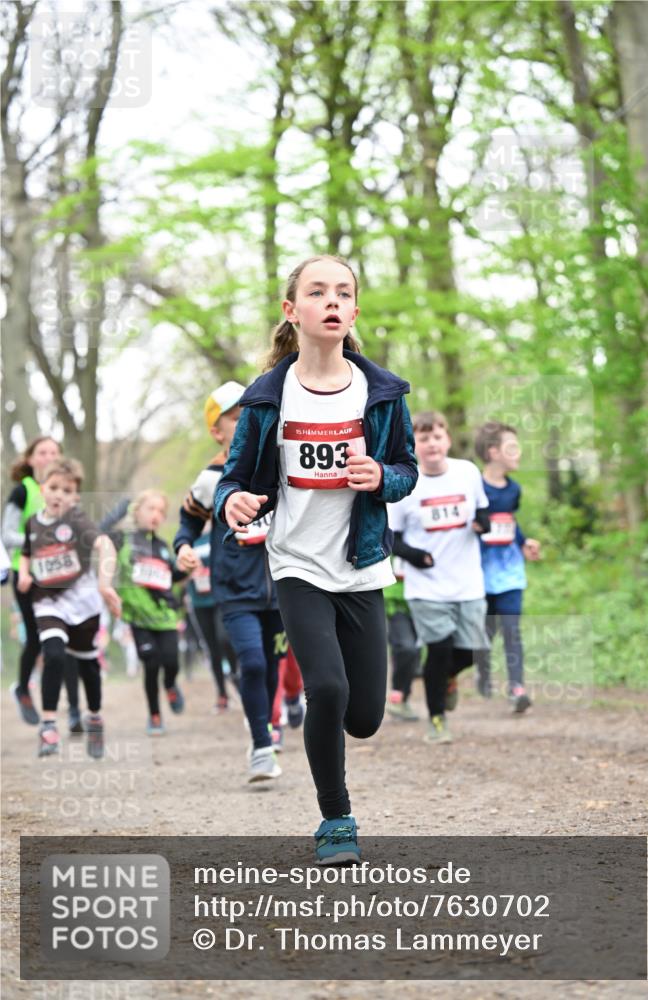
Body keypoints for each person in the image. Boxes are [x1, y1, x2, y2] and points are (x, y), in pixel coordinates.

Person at [214, 254, 418, 864]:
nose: (331, 301)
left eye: (343, 292)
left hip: (361, 565)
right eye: (317, 291)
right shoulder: (267, 399)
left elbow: (405, 471)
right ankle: (336, 818)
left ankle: (336, 747)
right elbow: (234, 477)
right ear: (292, 310)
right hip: (296, 564)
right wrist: (235, 501)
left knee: (365, 716)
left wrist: (380, 474)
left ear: (354, 311)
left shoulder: (381, 394)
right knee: (325, 688)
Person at [175, 382, 284, 784]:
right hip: (235, 588)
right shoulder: (210, 479)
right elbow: (187, 521)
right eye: (236, 418)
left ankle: (267, 726)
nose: (246, 424)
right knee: (251, 662)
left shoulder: (278, 463)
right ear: (217, 432)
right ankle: (260, 746)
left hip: (282, 586)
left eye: (251, 415)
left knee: (272, 666)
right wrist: (183, 546)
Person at [388, 411, 490, 745]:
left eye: (436, 436)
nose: (431, 443)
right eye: (422, 437)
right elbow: (391, 537)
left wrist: (482, 525)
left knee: (473, 650)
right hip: (426, 586)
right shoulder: (406, 482)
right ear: (413, 443)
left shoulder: (467, 472)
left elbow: (483, 511)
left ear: (447, 439)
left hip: (468, 581)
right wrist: (416, 556)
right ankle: (437, 719)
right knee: (439, 649)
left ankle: (444, 678)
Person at [17, 458, 120, 758]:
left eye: (67, 490)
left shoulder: (76, 519)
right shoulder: (32, 522)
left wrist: (105, 584)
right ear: (42, 488)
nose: (59, 494)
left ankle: (95, 718)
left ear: (76, 495)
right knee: (53, 654)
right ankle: (48, 726)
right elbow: (26, 552)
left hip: (83, 601)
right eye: (53, 487)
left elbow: (105, 546)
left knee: (89, 666)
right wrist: (24, 574)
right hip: (48, 600)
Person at [3, 437, 82, 731]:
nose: (48, 456)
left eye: (53, 452)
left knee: (67, 639)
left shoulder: (66, 492)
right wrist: (36, 544)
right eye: (42, 452)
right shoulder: (23, 491)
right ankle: (23, 689)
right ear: (31, 459)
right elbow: (6, 533)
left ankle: (74, 711)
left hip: (61, 576)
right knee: (37, 639)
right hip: (27, 576)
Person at [474, 421, 541, 712]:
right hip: (478, 572)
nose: (519, 452)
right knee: (486, 631)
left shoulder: (514, 490)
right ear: (493, 452)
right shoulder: (473, 485)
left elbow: (509, 523)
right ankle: (482, 671)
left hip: (511, 571)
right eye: (511, 447)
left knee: (512, 630)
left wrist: (525, 542)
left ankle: (517, 688)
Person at [110, 490, 187, 735]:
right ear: (137, 511)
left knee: (171, 662)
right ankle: (154, 715)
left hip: (165, 616)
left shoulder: (163, 547)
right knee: (151, 663)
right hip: (138, 617)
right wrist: (120, 509)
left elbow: (172, 577)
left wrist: (188, 569)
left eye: (161, 512)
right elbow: (99, 533)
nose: (156, 515)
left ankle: (171, 684)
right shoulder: (123, 539)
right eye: (150, 509)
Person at [186, 526, 239, 712]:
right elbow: (180, 569)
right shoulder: (188, 537)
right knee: (211, 648)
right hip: (199, 601)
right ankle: (222, 694)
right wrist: (188, 570)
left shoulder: (219, 532)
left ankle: (234, 673)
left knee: (224, 639)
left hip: (221, 598)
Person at [384, 558, 422, 721]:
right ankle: (397, 694)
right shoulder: (393, 535)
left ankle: (403, 699)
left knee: (417, 652)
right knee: (406, 648)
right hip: (397, 602)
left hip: (425, 601)